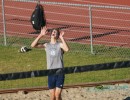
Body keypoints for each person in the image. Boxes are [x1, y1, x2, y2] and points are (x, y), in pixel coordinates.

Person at [31, 26, 69, 100]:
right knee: (52, 96)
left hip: (60, 72)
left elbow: (67, 49)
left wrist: (62, 38)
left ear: (57, 35)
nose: (53, 33)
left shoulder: (59, 45)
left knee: (57, 95)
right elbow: (33, 45)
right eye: (53, 32)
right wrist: (41, 35)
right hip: (50, 73)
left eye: (55, 32)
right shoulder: (46, 45)